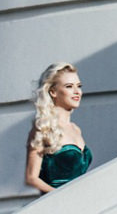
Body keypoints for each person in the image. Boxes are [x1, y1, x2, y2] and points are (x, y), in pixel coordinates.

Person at [25, 61, 92, 193]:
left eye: (79, 86)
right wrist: (59, 198)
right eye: (69, 86)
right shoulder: (43, 129)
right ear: (53, 92)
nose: (76, 91)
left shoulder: (76, 129)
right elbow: (31, 177)